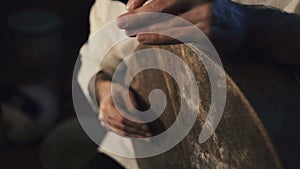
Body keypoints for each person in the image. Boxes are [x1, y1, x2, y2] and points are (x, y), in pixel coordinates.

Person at [78, 0, 300, 168]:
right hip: (134, 153)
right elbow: (93, 61)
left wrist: (255, 26)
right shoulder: (110, 5)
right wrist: (105, 92)